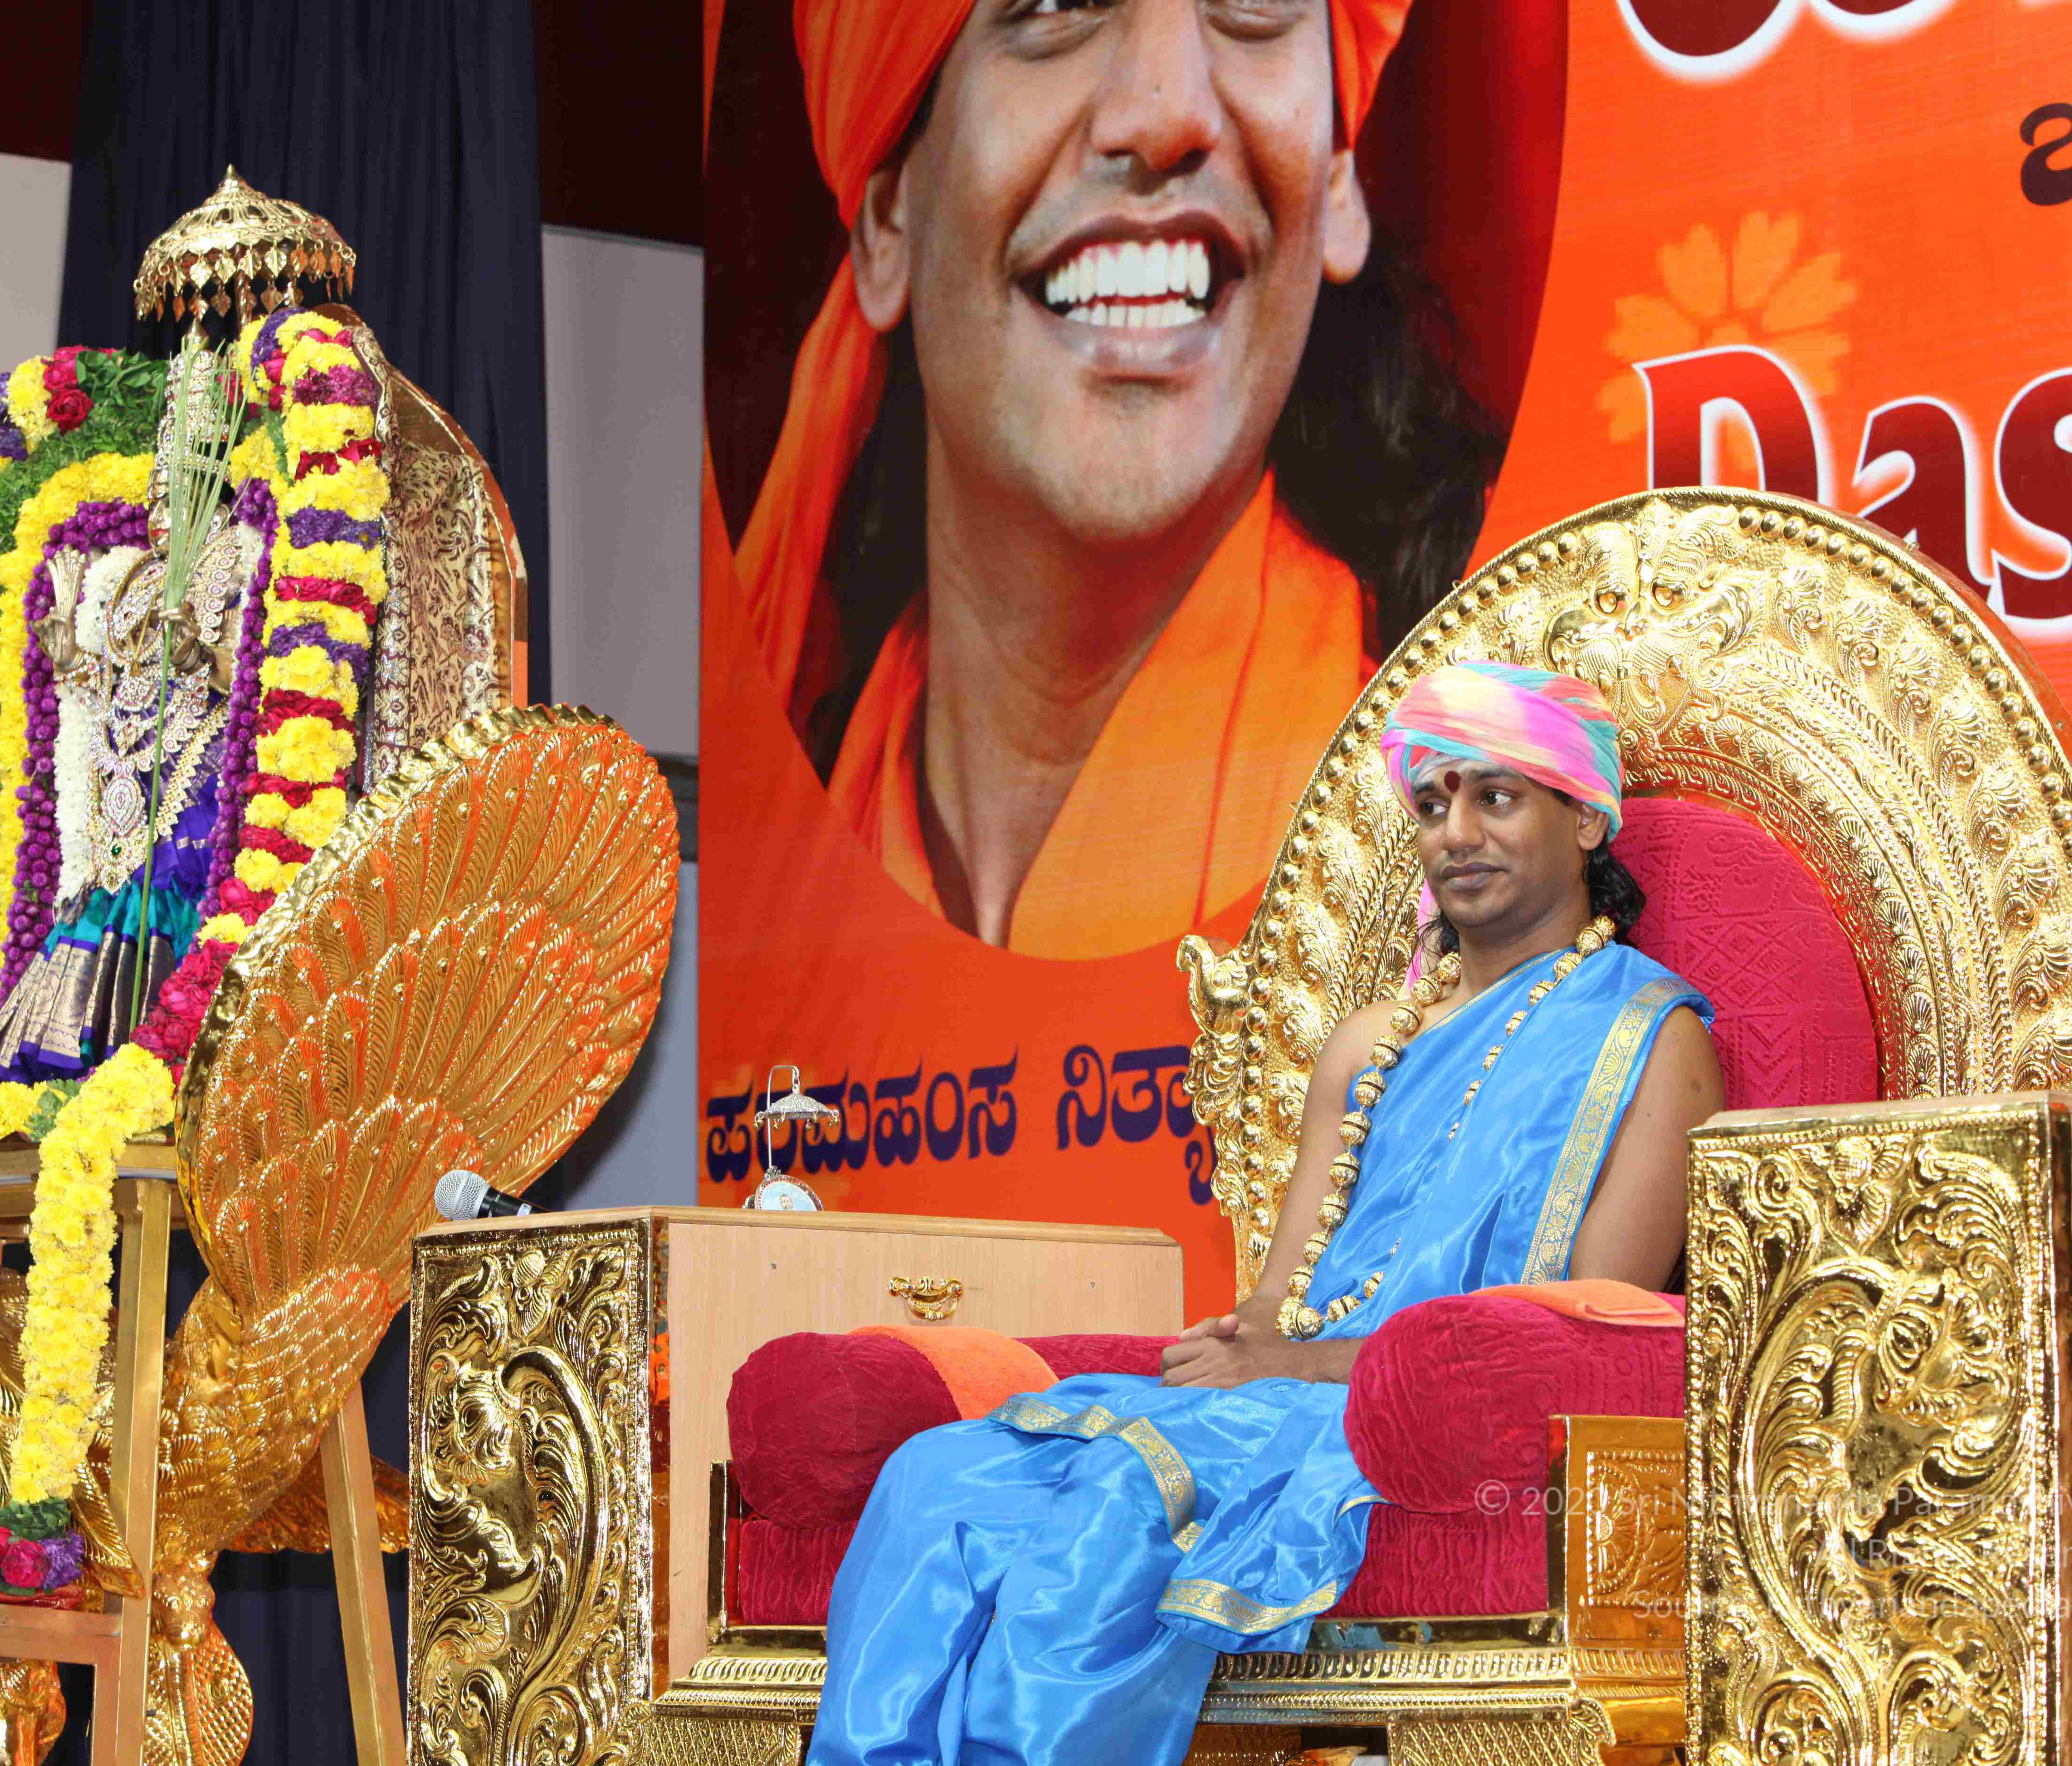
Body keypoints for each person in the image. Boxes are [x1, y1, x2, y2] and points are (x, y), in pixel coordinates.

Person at [808, 662, 1726, 1766]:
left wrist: (1292, 1366)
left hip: (1418, 1424)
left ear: (1585, 818)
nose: (1455, 834)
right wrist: (1240, 1349)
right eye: (1432, 804)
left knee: (1117, 1504)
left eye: (1497, 797)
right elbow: (1278, 1304)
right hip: (1293, 1394)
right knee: (937, 1478)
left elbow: (1580, 1334)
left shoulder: (1651, 1039)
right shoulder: (1371, 1045)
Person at [731, 0, 1502, 959]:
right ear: (890, 218)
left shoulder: (1477, 857)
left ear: (1338, 179)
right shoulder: (770, 915)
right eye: (1059, 4)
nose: (1166, 113)